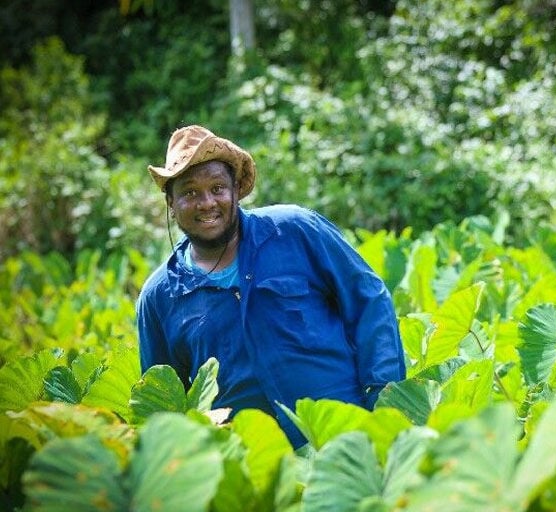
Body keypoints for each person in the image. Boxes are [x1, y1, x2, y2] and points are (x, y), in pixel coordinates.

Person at [136, 125, 406, 447]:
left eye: (218, 188)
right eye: (190, 192)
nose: (207, 202)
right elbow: (166, 404)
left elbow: (369, 301)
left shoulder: (294, 231)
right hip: (256, 469)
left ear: (236, 190)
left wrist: (384, 400)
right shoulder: (160, 297)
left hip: (348, 441)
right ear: (171, 202)